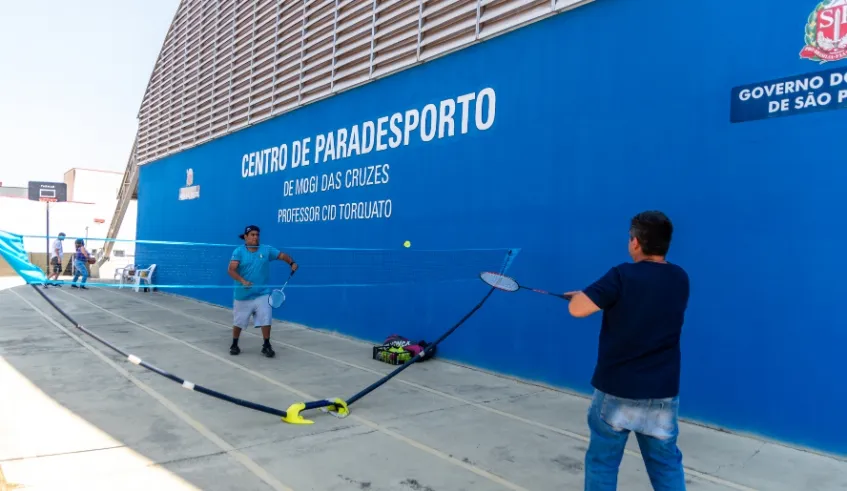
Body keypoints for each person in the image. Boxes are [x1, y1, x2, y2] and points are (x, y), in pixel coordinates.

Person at [565, 211, 690, 491]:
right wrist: (593, 295)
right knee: (666, 464)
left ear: (635, 242)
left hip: (616, 392)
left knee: (603, 463)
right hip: (662, 393)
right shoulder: (680, 278)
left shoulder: (622, 275)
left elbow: (577, 309)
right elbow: (644, 300)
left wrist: (586, 295)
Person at [227, 225, 298, 357]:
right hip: (243, 295)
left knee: (266, 318)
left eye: (257, 235)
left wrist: (291, 262)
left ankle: (266, 345)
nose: (255, 237)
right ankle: (234, 344)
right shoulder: (238, 252)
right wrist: (243, 281)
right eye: (252, 235)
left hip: (262, 293)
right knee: (239, 322)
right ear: (246, 237)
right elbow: (231, 269)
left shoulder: (266, 250)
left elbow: (281, 255)